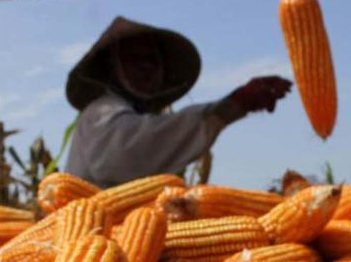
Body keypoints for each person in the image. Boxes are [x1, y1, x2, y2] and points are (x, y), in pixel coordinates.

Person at [64, 16, 292, 188]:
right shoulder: (102, 111)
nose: (146, 67)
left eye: (153, 60)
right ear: (112, 69)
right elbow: (135, 151)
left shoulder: (132, 112)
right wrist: (233, 104)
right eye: (135, 59)